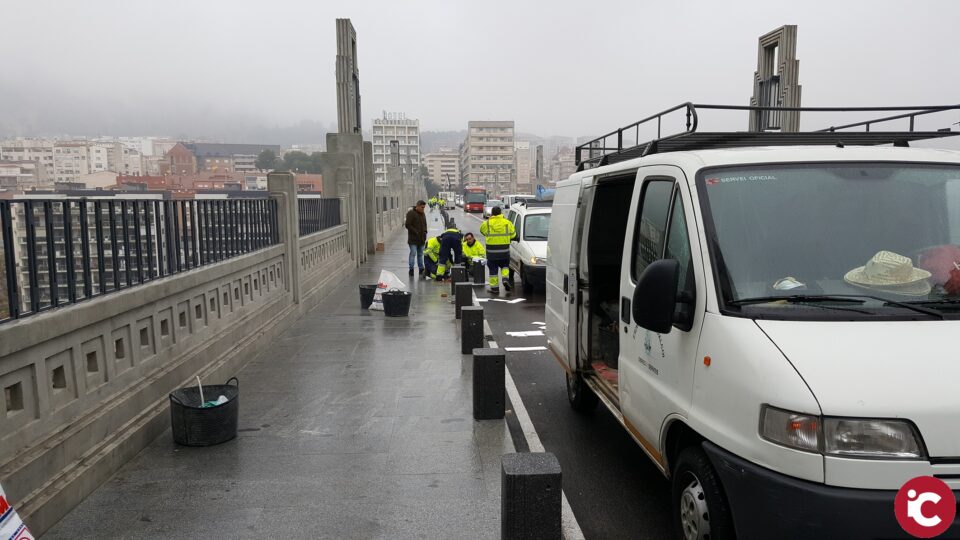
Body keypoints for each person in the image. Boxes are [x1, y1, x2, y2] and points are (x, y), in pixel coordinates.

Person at [479, 206, 517, 294]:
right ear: (501, 213)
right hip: (504, 251)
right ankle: (505, 279)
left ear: (492, 213)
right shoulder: (508, 223)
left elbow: (482, 231)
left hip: (491, 253)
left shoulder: (487, 223)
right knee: (505, 266)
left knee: (493, 270)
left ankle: (495, 289)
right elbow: (513, 235)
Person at [404, 200, 427, 277]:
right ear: (417, 206)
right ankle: (411, 269)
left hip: (421, 239)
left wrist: (425, 232)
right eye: (422, 207)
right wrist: (415, 231)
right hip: (413, 239)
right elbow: (407, 224)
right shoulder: (411, 213)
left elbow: (425, 224)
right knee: (413, 253)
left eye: (424, 207)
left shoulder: (423, 214)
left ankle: (421, 269)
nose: (423, 209)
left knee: (420, 254)